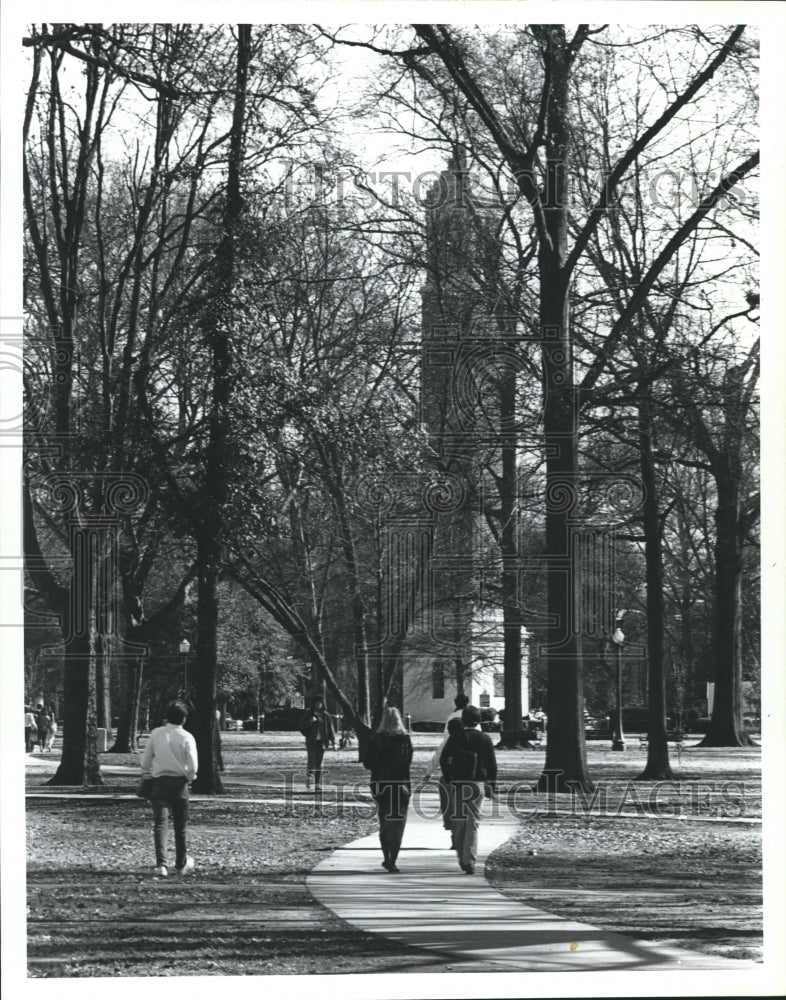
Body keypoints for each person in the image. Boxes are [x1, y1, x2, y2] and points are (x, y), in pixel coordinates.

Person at [140, 701, 198, 878]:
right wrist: (189, 777)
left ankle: (161, 864)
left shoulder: (156, 734)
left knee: (160, 824)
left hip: (159, 783)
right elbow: (193, 765)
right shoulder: (187, 736)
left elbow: (146, 760)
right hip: (179, 784)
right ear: (184, 718)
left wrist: (147, 775)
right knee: (180, 826)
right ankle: (180, 863)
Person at [440, 704, 497, 875]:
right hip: (477, 784)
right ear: (479, 720)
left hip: (458, 783)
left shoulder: (456, 737)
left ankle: (460, 857)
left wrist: (449, 778)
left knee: (458, 820)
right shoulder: (485, 739)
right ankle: (469, 859)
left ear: (463, 720)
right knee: (473, 823)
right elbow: (492, 764)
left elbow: (444, 759)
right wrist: (491, 785)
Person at [362, 707, 413, 873]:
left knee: (384, 821)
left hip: (381, 784)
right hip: (401, 785)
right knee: (398, 823)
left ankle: (385, 856)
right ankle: (393, 859)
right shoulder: (405, 739)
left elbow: (367, 763)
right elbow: (408, 762)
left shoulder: (376, 739)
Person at [423, 692, 469, 837]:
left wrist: (429, 773)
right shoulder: (472, 722)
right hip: (469, 775)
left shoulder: (451, 720)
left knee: (448, 802)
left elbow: (439, 754)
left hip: (450, 774)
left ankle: (453, 831)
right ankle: (463, 831)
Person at [298, 697, 335, 790]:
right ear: (314, 703)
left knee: (320, 763)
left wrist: (334, 742)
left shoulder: (326, 715)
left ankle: (317, 783)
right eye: (317, 703)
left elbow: (330, 729)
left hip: (322, 742)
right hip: (311, 741)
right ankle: (309, 778)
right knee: (312, 761)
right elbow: (301, 725)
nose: (319, 705)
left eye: (321, 703)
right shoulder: (309, 713)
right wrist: (310, 721)